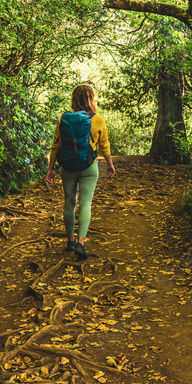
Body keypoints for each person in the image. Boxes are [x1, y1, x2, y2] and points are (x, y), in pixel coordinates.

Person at [45, 84, 115, 260]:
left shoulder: (63, 119)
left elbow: (55, 145)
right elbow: (104, 145)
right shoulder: (98, 120)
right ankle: (81, 243)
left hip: (67, 167)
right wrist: (109, 164)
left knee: (69, 203)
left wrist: (50, 169)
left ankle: (70, 240)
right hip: (89, 168)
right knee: (85, 203)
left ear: (74, 99)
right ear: (91, 98)